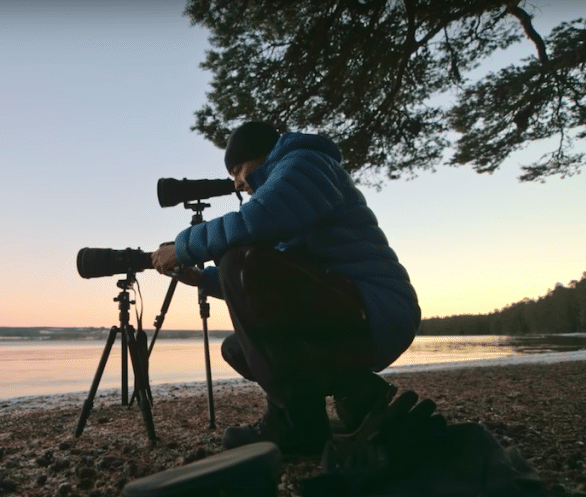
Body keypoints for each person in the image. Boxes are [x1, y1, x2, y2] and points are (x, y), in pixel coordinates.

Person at [151, 121, 420, 456]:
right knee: (240, 348)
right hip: (350, 310)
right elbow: (277, 280)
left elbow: (259, 220)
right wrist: (202, 279)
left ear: (261, 156)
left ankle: (294, 424)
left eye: (238, 169)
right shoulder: (292, 190)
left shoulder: (305, 163)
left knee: (239, 258)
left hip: (377, 309)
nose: (236, 182)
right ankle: (360, 395)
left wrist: (183, 246)